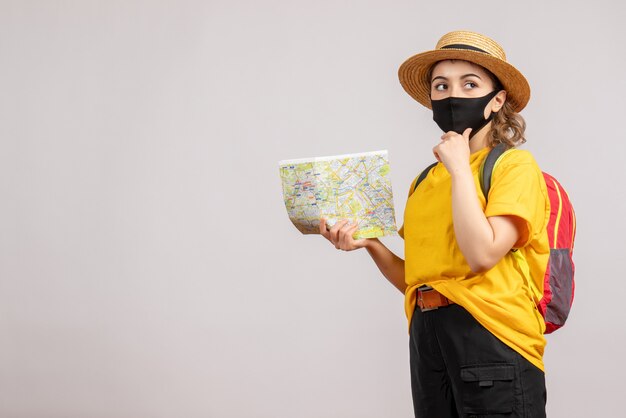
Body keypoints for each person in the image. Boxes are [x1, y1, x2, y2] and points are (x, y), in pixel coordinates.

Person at [319, 31, 549, 417]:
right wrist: (371, 243)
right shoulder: (425, 181)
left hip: (493, 333)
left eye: (469, 84)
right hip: (428, 336)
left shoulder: (513, 166)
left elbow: (481, 255)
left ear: (497, 100)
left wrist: (460, 167)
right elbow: (419, 277)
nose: (452, 95)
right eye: (441, 86)